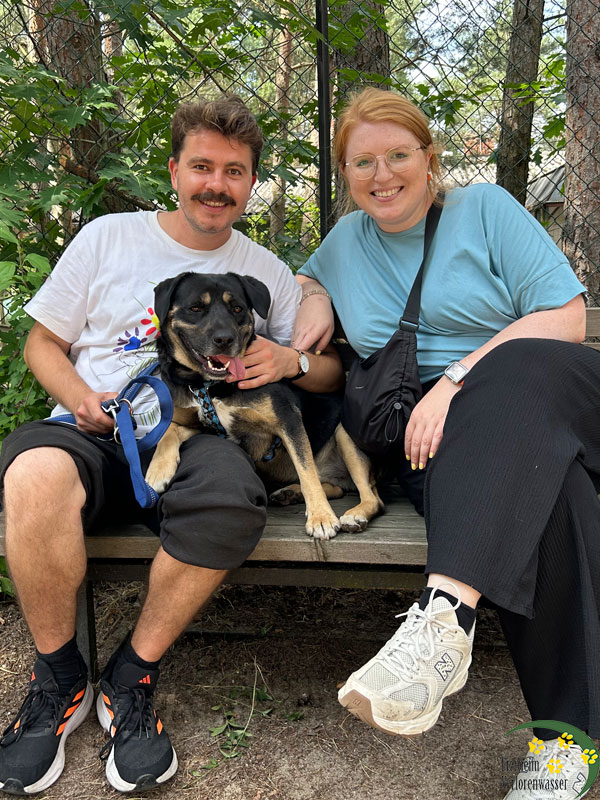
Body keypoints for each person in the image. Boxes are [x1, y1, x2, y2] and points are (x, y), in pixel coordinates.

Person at [0, 95, 343, 796]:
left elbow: (328, 369)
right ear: (175, 170)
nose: (217, 184)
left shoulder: (264, 272)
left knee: (231, 499)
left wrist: (294, 359)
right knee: (32, 476)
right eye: (203, 166)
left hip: (198, 426)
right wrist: (79, 398)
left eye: (235, 171)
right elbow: (42, 343)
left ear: (252, 183)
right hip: (94, 426)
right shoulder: (108, 238)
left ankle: (130, 678)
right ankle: (59, 680)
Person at [292, 87, 599, 799]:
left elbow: (567, 317)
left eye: (398, 155)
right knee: (551, 498)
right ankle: (567, 742)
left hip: (551, 386)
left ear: (429, 159)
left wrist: (459, 379)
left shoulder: (484, 209)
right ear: (345, 173)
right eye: (362, 162)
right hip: (441, 438)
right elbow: (307, 273)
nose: (382, 174)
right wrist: (314, 295)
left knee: (514, 371)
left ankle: (444, 620)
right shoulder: (344, 244)